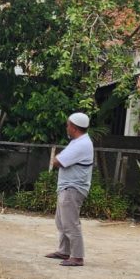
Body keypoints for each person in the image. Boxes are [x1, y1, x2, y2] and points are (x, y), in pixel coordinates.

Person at [45, 112, 94, 267]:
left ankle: (77, 257)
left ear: (74, 127)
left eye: (68, 125)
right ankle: (64, 251)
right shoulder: (78, 141)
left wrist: (57, 158)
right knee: (61, 221)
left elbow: (57, 161)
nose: (66, 128)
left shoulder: (81, 144)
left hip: (73, 188)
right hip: (68, 187)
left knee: (70, 223)